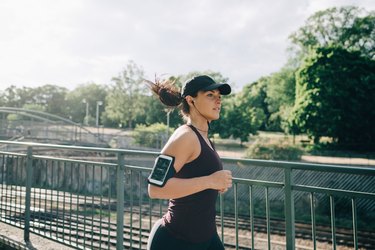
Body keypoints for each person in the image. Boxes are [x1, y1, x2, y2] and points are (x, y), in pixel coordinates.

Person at [145, 75, 233, 250]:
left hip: (205, 236)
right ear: (191, 100)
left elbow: (195, 175)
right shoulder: (185, 136)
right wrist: (210, 181)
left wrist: (214, 183)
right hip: (176, 240)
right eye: (210, 95)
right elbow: (155, 188)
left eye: (219, 96)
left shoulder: (204, 137)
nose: (218, 101)